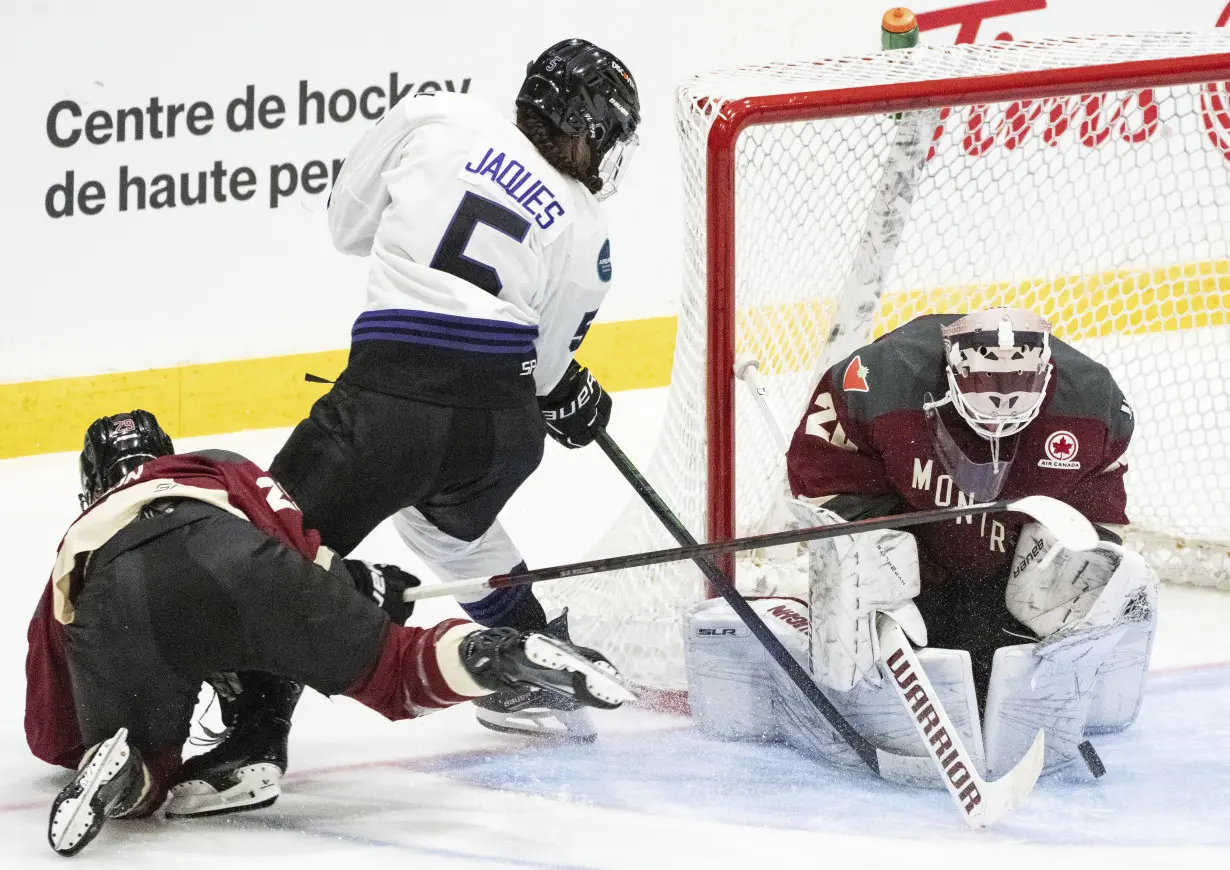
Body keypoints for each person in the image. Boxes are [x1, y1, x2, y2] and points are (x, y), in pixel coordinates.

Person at [176, 36, 642, 816]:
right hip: (501, 432)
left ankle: (257, 739)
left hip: (391, 406)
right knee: (447, 532)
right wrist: (573, 397)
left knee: (278, 547)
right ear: (589, 129)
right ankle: (532, 656)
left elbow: (346, 227)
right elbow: (549, 368)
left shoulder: (442, 114)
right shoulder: (587, 226)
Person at [25, 411, 632, 856]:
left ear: (92, 482)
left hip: (116, 587)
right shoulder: (212, 467)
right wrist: (358, 585)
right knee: (399, 670)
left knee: (150, 765)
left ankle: (127, 769)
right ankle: (498, 652)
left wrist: (87, 737)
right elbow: (293, 536)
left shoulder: (77, 537)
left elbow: (49, 716)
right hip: (231, 551)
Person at [778, 308, 1159, 775]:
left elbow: (1096, 506)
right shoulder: (877, 379)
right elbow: (821, 474)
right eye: (986, 388)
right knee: (875, 603)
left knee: (1062, 599)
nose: (1000, 405)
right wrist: (868, 545)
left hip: (1003, 574)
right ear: (953, 371)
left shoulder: (1092, 401)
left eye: (1017, 385)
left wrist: (1075, 561)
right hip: (915, 561)